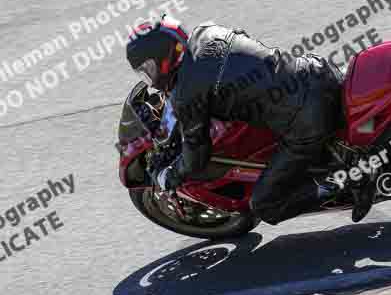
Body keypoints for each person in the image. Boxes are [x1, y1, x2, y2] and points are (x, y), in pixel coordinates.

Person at [125, 19, 375, 224]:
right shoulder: (207, 32)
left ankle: (350, 178)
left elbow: (197, 154)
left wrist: (170, 176)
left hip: (306, 122)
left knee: (265, 205)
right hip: (315, 70)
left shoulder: (187, 95)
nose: (150, 76)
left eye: (148, 68)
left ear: (162, 57)